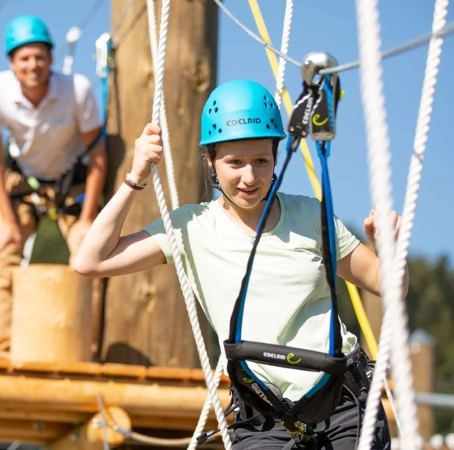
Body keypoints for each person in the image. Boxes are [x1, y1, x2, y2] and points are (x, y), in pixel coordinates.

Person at [74, 80, 404, 449]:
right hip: (264, 420)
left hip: (341, 406)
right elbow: (90, 260)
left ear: (276, 158)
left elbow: (388, 284)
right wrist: (135, 178)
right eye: (235, 162)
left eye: (261, 161)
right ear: (211, 161)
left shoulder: (311, 216)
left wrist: (386, 248)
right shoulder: (191, 226)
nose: (249, 177)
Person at [0, 14, 106, 352]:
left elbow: (98, 157)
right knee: (5, 254)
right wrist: (7, 221)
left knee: (90, 255)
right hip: (24, 181)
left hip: (72, 181)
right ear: (12, 63)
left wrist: (87, 218)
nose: (33, 65)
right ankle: (0, 350)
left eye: (39, 56)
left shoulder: (76, 90)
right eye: (24, 58)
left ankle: (86, 347)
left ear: (51, 58)